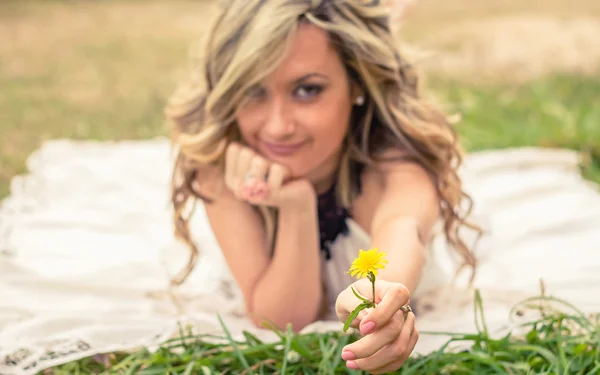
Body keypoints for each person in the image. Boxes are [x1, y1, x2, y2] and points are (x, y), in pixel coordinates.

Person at [165, 0, 478, 373]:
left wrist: (381, 298)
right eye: (253, 91)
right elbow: (283, 322)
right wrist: (296, 206)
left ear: (357, 85)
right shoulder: (223, 167)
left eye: (307, 90)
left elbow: (403, 228)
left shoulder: (393, 164)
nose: (278, 126)